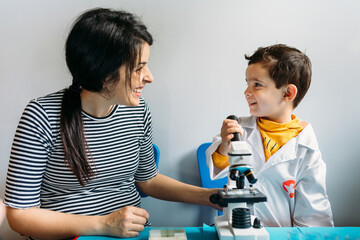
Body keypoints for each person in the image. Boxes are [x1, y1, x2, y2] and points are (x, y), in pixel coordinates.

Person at [4, 8, 218, 240]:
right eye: (139, 68)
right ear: (104, 71)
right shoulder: (41, 115)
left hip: (130, 236)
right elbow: (20, 215)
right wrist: (103, 224)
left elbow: (148, 180)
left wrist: (208, 196)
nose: (149, 77)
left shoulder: (138, 111)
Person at [206, 44, 334, 227]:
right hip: (237, 229)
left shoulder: (307, 150)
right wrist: (225, 146)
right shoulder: (239, 129)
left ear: (288, 93)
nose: (246, 92)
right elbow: (219, 167)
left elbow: (313, 217)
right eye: (247, 83)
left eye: (257, 84)